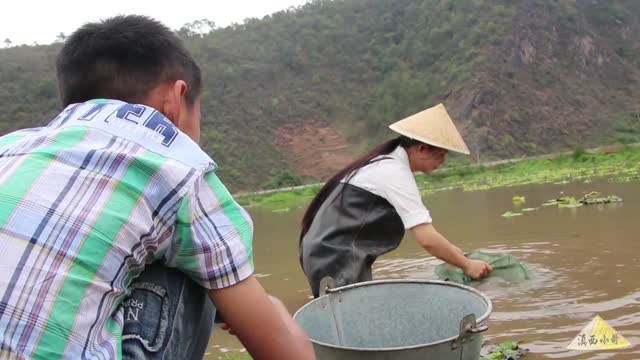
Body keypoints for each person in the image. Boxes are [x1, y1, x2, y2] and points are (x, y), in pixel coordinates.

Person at [0, 15, 314, 360]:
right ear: (175, 99)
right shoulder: (176, 166)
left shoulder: (11, 146)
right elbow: (285, 351)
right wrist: (271, 310)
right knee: (194, 267)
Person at [299, 104, 493, 297]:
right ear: (422, 148)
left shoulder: (385, 164)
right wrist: (467, 265)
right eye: (441, 155)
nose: (442, 162)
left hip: (326, 253)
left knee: (355, 317)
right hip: (334, 257)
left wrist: (452, 252)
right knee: (351, 319)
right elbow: (427, 238)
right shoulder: (394, 172)